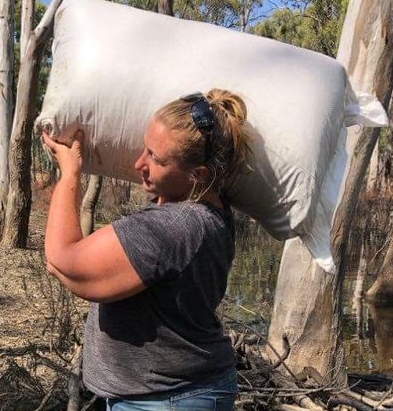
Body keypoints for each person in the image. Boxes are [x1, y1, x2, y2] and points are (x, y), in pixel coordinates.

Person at [42, 88, 252, 411]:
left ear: (197, 176)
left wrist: (69, 172)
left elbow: (62, 260)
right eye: (145, 148)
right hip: (182, 393)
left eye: (155, 158)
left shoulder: (170, 228)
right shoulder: (213, 210)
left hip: (167, 400)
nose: (140, 162)